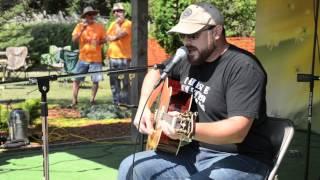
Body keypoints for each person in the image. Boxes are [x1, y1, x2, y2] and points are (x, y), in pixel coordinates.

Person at [118, 2, 272, 180]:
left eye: (193, 35)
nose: (186, 42)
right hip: (196, 152)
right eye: (183, 35)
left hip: (242, 159)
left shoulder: (243, 67)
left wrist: (186, 128)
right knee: (132, 167)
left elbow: (238, 131)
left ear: (216, 32)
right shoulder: (188, 58)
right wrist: (145, 106)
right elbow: (156, 72)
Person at [71, 6, 106, 106]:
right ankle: (74, 100)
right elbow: (74, 40)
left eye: (92, 14)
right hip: (83, 58)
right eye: (88, 15)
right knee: (76, 79)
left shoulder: (100, 26)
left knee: (95, 80)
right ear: (85, 16)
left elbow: (105, 39)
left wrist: (99, 41)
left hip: (96, 59)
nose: (90, 16)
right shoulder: (79, 26)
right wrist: (82, 30)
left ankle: (92, 100)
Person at [106, 2, 132, 105]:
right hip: (112, 57)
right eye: (115, 11)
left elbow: (121, 34)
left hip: (124, 58)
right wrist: (112, 37)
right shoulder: (112, 24)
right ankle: (116, 102)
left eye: (119, 11)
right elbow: (107, 37)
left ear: (124, 13)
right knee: (114, 82)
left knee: (125, 82)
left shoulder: (128, 24)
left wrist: (115, 34)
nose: (117, 13)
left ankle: (125, 104)